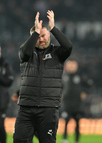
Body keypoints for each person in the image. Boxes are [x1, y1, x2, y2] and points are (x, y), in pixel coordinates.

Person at [13, 10, 73, 143]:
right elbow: (25, 52)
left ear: (49, 35)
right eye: (38, 37)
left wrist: (53, 28)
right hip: (26, 108)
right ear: (33, 37)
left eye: (44, 36)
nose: (41, 39)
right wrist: (36, 32)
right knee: (19, 140)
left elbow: (68, 46)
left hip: (48, 108)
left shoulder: (57, 53)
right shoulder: (26, 52)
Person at [61, 60, 89, 143]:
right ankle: (65, 139)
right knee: (66, 122)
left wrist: (85, 92)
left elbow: (89, 85)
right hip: (66, 104)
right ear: (67, 66)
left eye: (73, 65)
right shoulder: (63, 76)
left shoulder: (81, 76)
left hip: (77, 104)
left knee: (77, 122)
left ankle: (76, 140)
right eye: (70, 65)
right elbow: (59, 87)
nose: (72, 67)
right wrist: (60, 94)